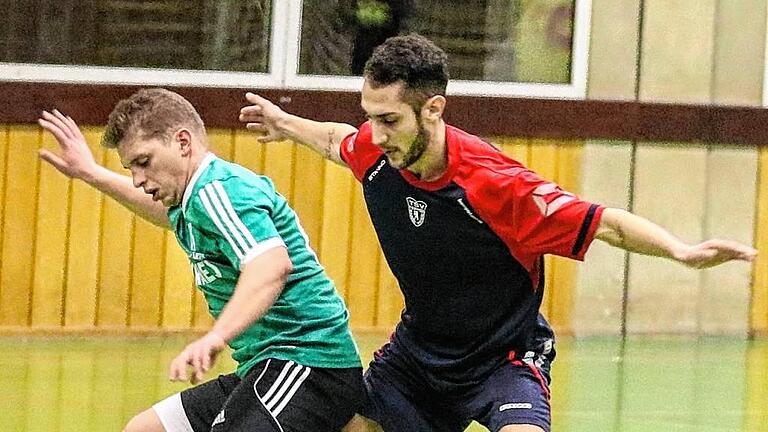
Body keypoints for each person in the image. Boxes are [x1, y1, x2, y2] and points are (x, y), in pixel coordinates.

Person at [239, 34, 758, 432]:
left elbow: (606, 223)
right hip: (418, 355)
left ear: (434, 108)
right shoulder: (377, 151)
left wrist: (680, 251)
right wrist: (284, 124)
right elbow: (337, 140)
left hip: (504, 359)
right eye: (371, 118)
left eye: (391, 120)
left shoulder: (496, 185)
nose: (376, 134)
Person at [37, 88, 363, 432]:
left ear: (183, 142)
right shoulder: (192, 199)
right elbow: (164, 212)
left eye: (144, 162)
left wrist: (215, 337)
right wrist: (90, 172)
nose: (138, 179)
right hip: (263, 365)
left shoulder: (218, 191)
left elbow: (271, 265)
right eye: (131, 167)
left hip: (308, 363)